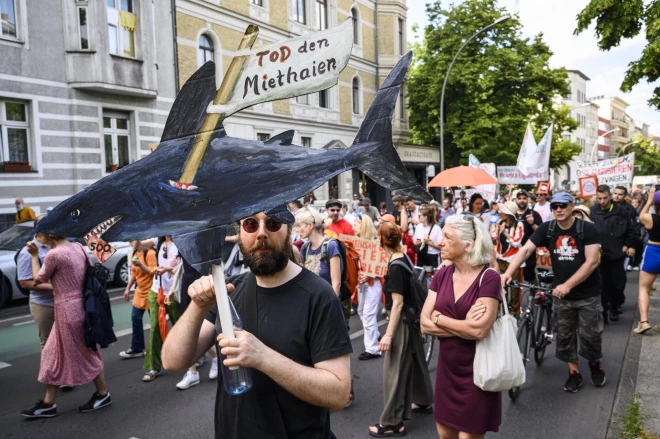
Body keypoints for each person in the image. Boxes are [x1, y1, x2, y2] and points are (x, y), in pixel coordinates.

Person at [162, 211, 352, 438]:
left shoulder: (319, 296)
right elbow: (173, 360)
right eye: (251, 224)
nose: (261, 233)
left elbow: (339, 394)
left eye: (273, 223)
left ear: (289, 230)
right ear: (240, 234)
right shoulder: (228, 291)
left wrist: (262, 357)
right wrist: (198, 306)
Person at [502, 192, 606, 392]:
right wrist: (507, 273)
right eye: (554, 206)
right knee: (564, 336)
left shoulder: (587, 228)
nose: (558, 210)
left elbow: (592, 261)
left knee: (590, 335)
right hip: (561, 295)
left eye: (562, 206)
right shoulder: (547, 228)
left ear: (571, 206)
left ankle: (594, 362)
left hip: (587, 294)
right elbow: (525, 250)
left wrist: (568, 284)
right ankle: (574, 373)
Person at [421, 215, 503, 437]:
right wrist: (464, 325)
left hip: (477, 372)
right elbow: (424, 324)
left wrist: (439, 318)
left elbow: (479, 330)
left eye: (447, 237)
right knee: (444, 435)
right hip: (447, 371)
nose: (440, 242)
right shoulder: (442, 273)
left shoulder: (489, 278)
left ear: (468, 245)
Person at [21, 234, 111, 418]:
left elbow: (37, 279)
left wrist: (33, 255)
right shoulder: (77, 246)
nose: (38, 237)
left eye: (40, 233)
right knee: (51, 352)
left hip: (67, 311)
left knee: (88, 353)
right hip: (81, 305)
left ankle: (103, 394)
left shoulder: (55, 254)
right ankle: (48, 402)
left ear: (51, 234)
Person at [368, 221, 434, 438]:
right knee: (416, 361)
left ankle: (392, 423)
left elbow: (397, 303)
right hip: (413, 319)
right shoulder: (402, 256)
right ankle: (424, 401)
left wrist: (388, 333)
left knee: (394, 372)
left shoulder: (395, 266)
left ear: (380, 240)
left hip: (403, 322)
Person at [590, 185, 636, 322]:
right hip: (599, 256)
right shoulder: (592, 212)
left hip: (616, 254)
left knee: (617, 284)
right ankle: (604, 309)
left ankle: (615, 306)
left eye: (605, 198)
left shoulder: (622, 211)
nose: (602, 201)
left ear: (610, 196)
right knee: (601, 284)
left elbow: (631, 231)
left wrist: (628, 245)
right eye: (599, 199)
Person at [143, 236, 182, 383]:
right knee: (154, 328)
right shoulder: (157, 241)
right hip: (156, 290)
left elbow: (184, 266)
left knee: (180, 325)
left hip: (174, 291)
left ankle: (196, 354)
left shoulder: (180, 241)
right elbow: (140, 245)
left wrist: (168, 269)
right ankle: (153, 366)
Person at [17, 215, 53, 349]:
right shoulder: (28, 252)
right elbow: (24, 282)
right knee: (49, 344)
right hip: (44, 305)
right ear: (41, 229)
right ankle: (49, 371)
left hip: (64, 302)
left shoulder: (57, 245)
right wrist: (53, 287)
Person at [120, 240, 157, 360]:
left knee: (155, 323)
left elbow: (153, 272)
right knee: (135, 318)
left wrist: (141, 265)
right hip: (139, 291)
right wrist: (127, 288)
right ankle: (137, 348)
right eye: (129, 240)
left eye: (133, 240)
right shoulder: (134, 253)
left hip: (152, 291)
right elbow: (134, 273)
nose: (131, 242)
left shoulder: (150, 253)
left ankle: (159, 348)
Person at [353, 215, 382, 361]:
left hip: (373, 284)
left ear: (363, 227)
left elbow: (384, 267)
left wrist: (370, 274)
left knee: (369, 315)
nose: (353, 228)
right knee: (361, 312)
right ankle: (375, 335)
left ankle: (373, 348)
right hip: (363, 284)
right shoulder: (358, 243)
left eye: (356, 225)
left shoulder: (375, 244)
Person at [634, 189, 660, 334]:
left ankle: (644, 322)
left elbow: (641, 215)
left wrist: (649, 200)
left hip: (653, 251)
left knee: (644, 288)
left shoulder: (650, 218)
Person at [495, 201, 524, 315]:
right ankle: (504, 310)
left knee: (515, 287)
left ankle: (515, 312)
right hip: (501, 259)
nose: (500, 212)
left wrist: (505, 233)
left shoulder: (519, 225)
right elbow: (498, 241)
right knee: (501, 286)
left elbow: (516, 242)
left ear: (508, 214)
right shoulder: (500, 223)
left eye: (502, 211)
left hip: (514, 260)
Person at [514, 190, 543, 283]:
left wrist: (532, 223)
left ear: (528, 200)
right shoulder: (511, 214)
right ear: (516, 200)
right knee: (514, 278)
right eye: (519, 198)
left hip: (528, 251)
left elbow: (541, 232)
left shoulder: (534, 214)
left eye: (524, 198)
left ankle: (535, 293)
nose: (522, 200)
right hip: (513, 251)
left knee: (529, 276)